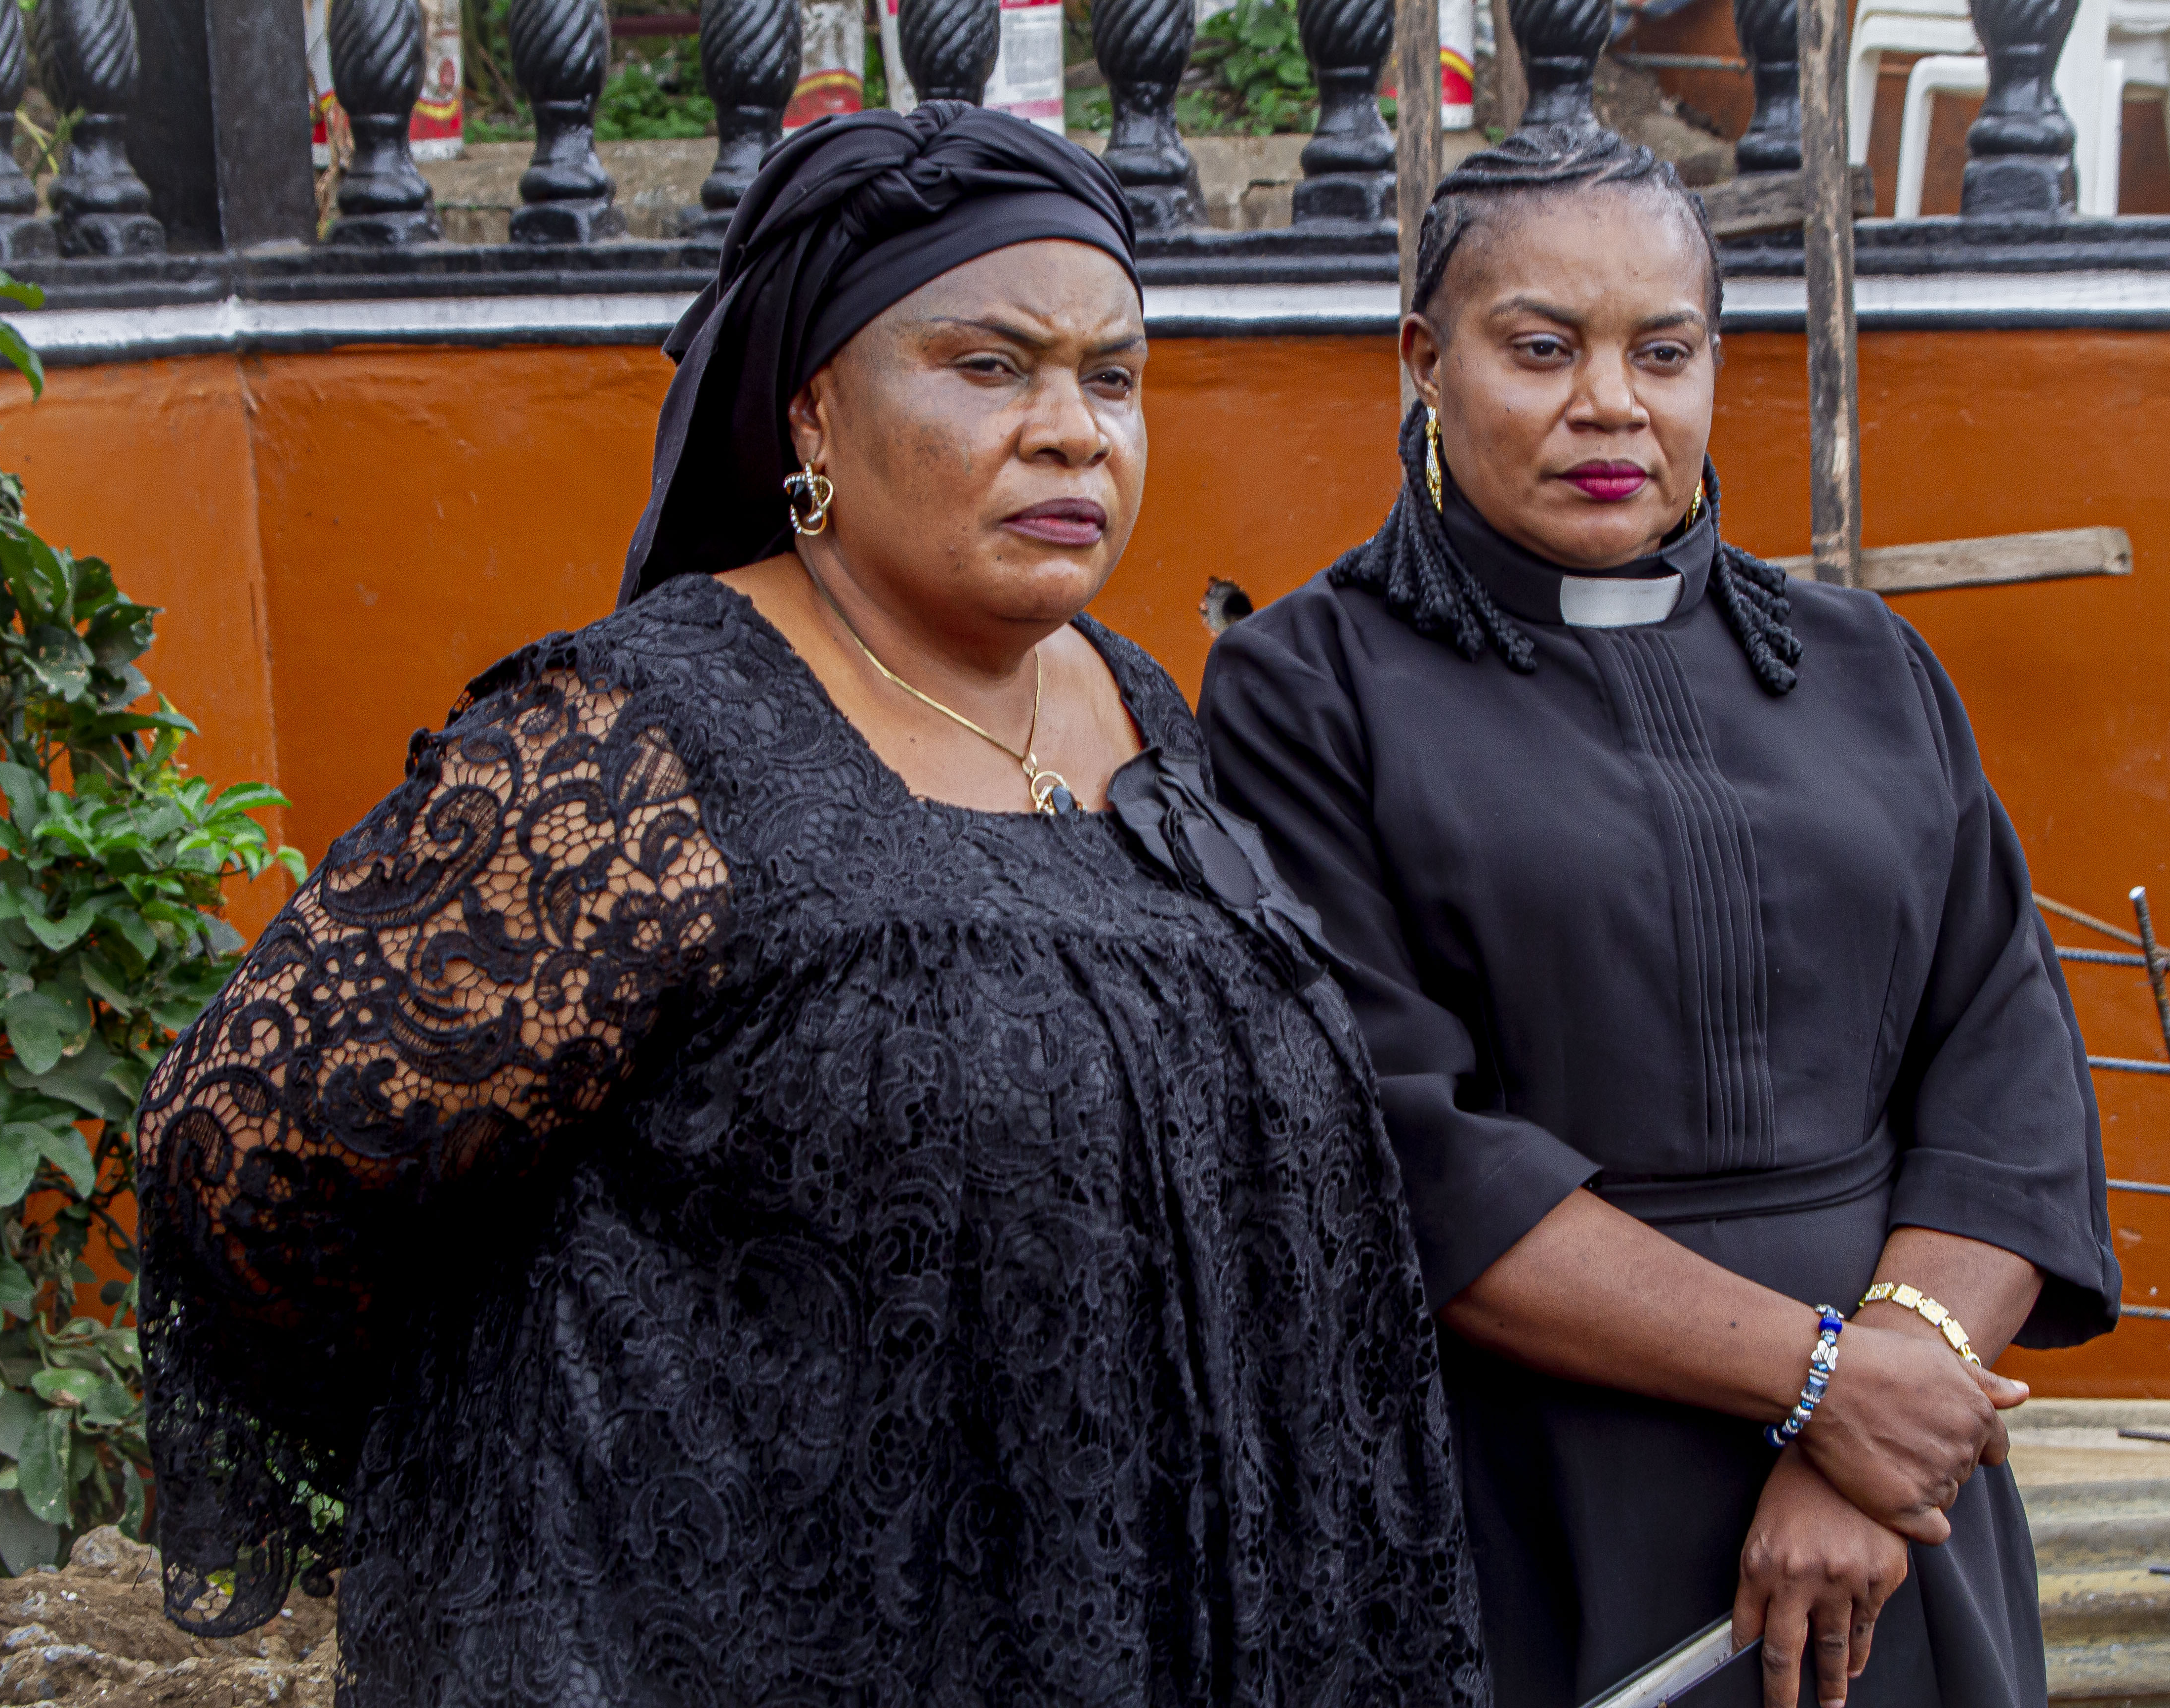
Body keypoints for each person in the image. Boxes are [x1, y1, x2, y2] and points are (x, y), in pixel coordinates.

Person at [134, 104, 1487, 1708]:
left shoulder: (1133, 702)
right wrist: (498, 1428)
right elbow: (244, 1146)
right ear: (815, 413)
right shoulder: (632, 746)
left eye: (1112, 378)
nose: (1076, 433)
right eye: (990, 366)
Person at [1199, 128, 2118, 1708]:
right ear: (1424, 360)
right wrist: (1825, 1386)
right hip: (1540, 1480)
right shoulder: (1305, 692)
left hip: (1900, 1504)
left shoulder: (1869, 667)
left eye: (1664, 351)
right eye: (1542, 348)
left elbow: (2007, 1068)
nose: (1611, 404)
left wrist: (1885, 1411)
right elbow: (1394, 1142)